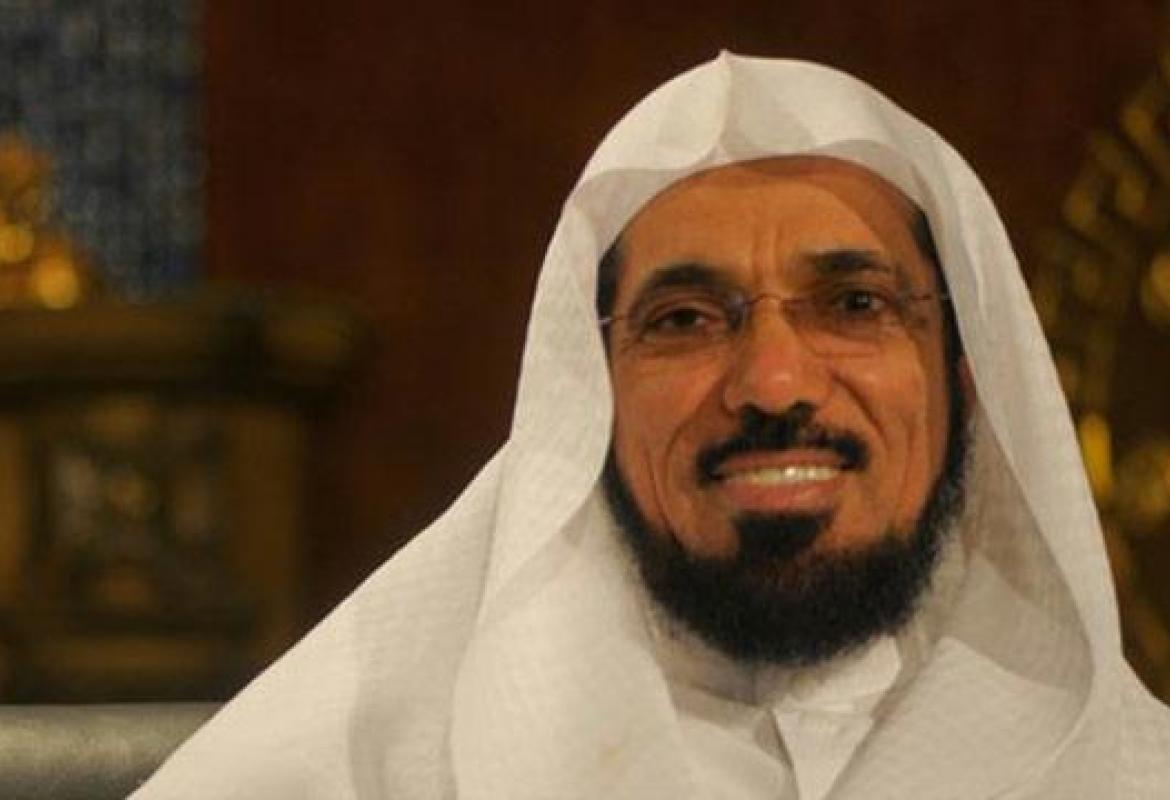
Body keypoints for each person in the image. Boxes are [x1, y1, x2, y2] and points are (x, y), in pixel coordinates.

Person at [134, 53, 1170, 799]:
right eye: (684, 320)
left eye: (854, 304)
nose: (773, 383)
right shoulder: (349, 771)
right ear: (589, 392)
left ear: (965, 380)